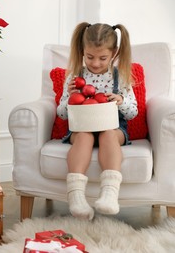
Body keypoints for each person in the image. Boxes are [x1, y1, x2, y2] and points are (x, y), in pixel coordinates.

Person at [57, 22, 138, 220]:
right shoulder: (74, 78)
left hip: (113, 125)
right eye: (90, 57)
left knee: (108, 134)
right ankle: (76, 196)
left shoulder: (121, 77)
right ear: (82, 51)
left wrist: (120, 101)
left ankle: (110, 193)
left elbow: (132, 112)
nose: (95, 63)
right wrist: (69, 98)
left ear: (114, 53)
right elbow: (61, 114)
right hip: (82, 125)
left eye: (102, 58)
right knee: (84, 137)